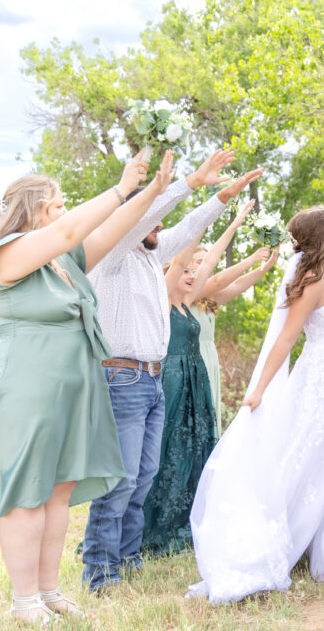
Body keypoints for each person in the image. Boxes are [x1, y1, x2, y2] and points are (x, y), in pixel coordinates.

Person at [0, 150, 172, 624]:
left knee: (58, 489)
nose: (63, 212)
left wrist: (153, 192)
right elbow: (70, 231)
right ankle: (24, 602)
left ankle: (49, 591)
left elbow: (112, 231)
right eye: (56, 204)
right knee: (27, 489)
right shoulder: (9, 254)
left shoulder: (63, 263)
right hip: (23, 386)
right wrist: (119, 189)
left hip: (71, 390)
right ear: (34, 209)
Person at [81, 148, 262, 593]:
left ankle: (128, 558)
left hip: (153, 379)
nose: (158, 227)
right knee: (120, 481)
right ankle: (100, 571)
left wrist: (220, 198)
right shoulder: (116, 251)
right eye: (150, 219)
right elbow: (145, 218)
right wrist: (188, 182)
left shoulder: (147, 255)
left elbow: (186, 230)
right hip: (121, 377)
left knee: (142, 478)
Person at [186, 206, 324, 603]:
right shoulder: (311, 281)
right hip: (322, 379)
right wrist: (259, 388)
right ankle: (287, 533)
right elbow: (287, 339)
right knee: (314, 455)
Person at [140, 201, 256, 554]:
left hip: (196, 383)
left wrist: (236, 224)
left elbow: (212, 262)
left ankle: (191, 516)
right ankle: (155, 525)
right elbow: (184, 258)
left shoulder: (189, 299)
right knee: (167, 451)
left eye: (196, 270)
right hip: (171, 383)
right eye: (186, 268)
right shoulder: (159, 296)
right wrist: (210, 216)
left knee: (195, 449)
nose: (192, 273)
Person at [186, 243, 280, 434]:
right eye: (199, 262)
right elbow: (219, 280)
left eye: (207, 262)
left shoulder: (206, 299)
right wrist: (252, 259)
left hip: (209, 360)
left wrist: (265, 267)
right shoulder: (185, 296)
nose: (205, 267)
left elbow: (237, 285)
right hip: (191, 361)